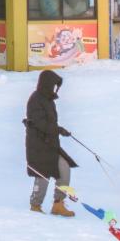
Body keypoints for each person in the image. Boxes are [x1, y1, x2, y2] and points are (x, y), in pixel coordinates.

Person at [24, 69, 77, 216]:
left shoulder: (48, 100)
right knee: (42, 175)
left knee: (64, 168)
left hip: (51, 145)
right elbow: (40, 124)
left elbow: (49, 124)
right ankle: (35, 206)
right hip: (38, 146)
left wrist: (58, 129)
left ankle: (58, 204)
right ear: (46, 84)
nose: (54, 88)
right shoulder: (35, 100)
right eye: (53, 85)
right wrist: (58, 130)